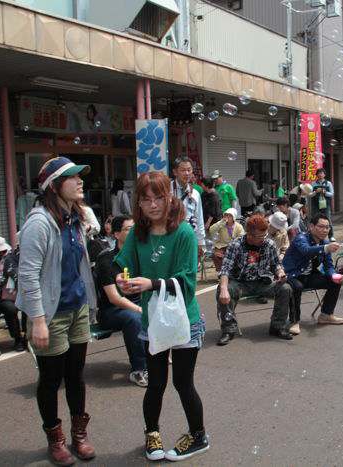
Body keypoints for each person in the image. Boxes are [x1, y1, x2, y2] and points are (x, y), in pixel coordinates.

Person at [114, 171, 208, 461]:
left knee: (182, 382)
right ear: (138, 204)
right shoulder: (138, 235)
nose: (153, 205)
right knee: (155, 383)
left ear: (170, 197)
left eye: (159, 197)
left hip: (184, 320)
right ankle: (152, 434)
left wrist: (151, 284)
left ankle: (198, 435)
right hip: (152, 321)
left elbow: (188, 283)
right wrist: (121, 278)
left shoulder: (183, 232)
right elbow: (123, 264)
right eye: (146, 199)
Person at [17, 156, 97, 465]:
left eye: (80, 176)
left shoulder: (74, 217)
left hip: (76, 308)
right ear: (53, 186)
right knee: (51, 380)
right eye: (72, 177)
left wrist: (90, 303)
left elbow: (78, 267)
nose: (80, 181)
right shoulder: (39, 222)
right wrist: (38, 320)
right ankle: (56, 439)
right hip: (51, 314)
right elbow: (27, 275)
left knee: (76, 376)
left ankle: (79, 435)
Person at [215, 214, 292, 345]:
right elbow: (225, 269)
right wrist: (223, 289)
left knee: (285, 288)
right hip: (240, 283)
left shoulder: (269, 244)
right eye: (260, 237)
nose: (264, 239)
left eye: (265, 235)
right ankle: (228, 329)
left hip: (262, 281)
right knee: (225, 289)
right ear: (249, 234)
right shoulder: (236, 245)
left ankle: (278, 326)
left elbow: (276, 264)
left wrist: (280, 273)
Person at [95, 215, 148, 387]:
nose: (133, 232)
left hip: (136, 304)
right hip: (111, 311)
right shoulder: (106, 260)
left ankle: (158, 356)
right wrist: (140, 310)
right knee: (134, 318)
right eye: (128, 229)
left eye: (135, 228)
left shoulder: (140, 254)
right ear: (116, 234)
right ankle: (139, 370)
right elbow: (115, 298)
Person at [283, 214, 343, 336]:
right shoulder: (300, 238)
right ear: (311, 227)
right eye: (321, 227)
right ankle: (294, 321)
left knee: (335, 281)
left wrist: (333, 275)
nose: (325, 230)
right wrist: (326, 247)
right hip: (293, 275)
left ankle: (326, 315)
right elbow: (306, 251)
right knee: (297, 287)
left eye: (327, 227)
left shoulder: (325, 243)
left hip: (309, 276)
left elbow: (328, 265)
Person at [172, 157, 206, 258]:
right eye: (183, 170)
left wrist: (201, 243)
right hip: (171, 238)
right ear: (175, 172)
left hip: (189, 238)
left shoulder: (195, 193)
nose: (187, 173)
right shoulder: (167, 190)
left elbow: (199, 219)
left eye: (189, 170)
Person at [310, 168, 335, 240]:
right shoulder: (313, 183)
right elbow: (310, 194)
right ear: (317, 175)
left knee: (328, 219)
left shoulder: (329, 183)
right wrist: (315, 192)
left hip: (326, 205)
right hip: (315, 204)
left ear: (324, 174)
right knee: (315, 219)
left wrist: (325, 192)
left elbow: (332, 194)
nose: (320, 175)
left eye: (322, 173)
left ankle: (331, 236)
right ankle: (314, 236)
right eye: (319, 173)